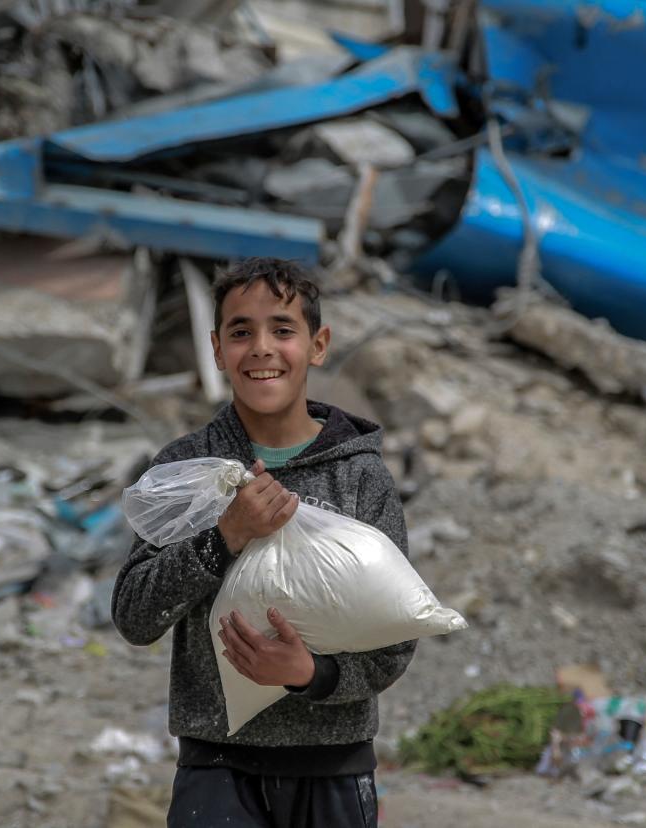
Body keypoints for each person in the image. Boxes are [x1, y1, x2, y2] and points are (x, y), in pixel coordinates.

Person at [111, 257, 415, 827]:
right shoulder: (186, 468)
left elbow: (394, 644)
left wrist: (309, 673)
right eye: (241, 332)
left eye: (282, 329)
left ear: (317, 345)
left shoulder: (359, 476)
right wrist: (225, 536)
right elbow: (134, 614)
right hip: (216, 765)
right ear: (218, 349)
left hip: (334, 766)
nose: (261, 348)